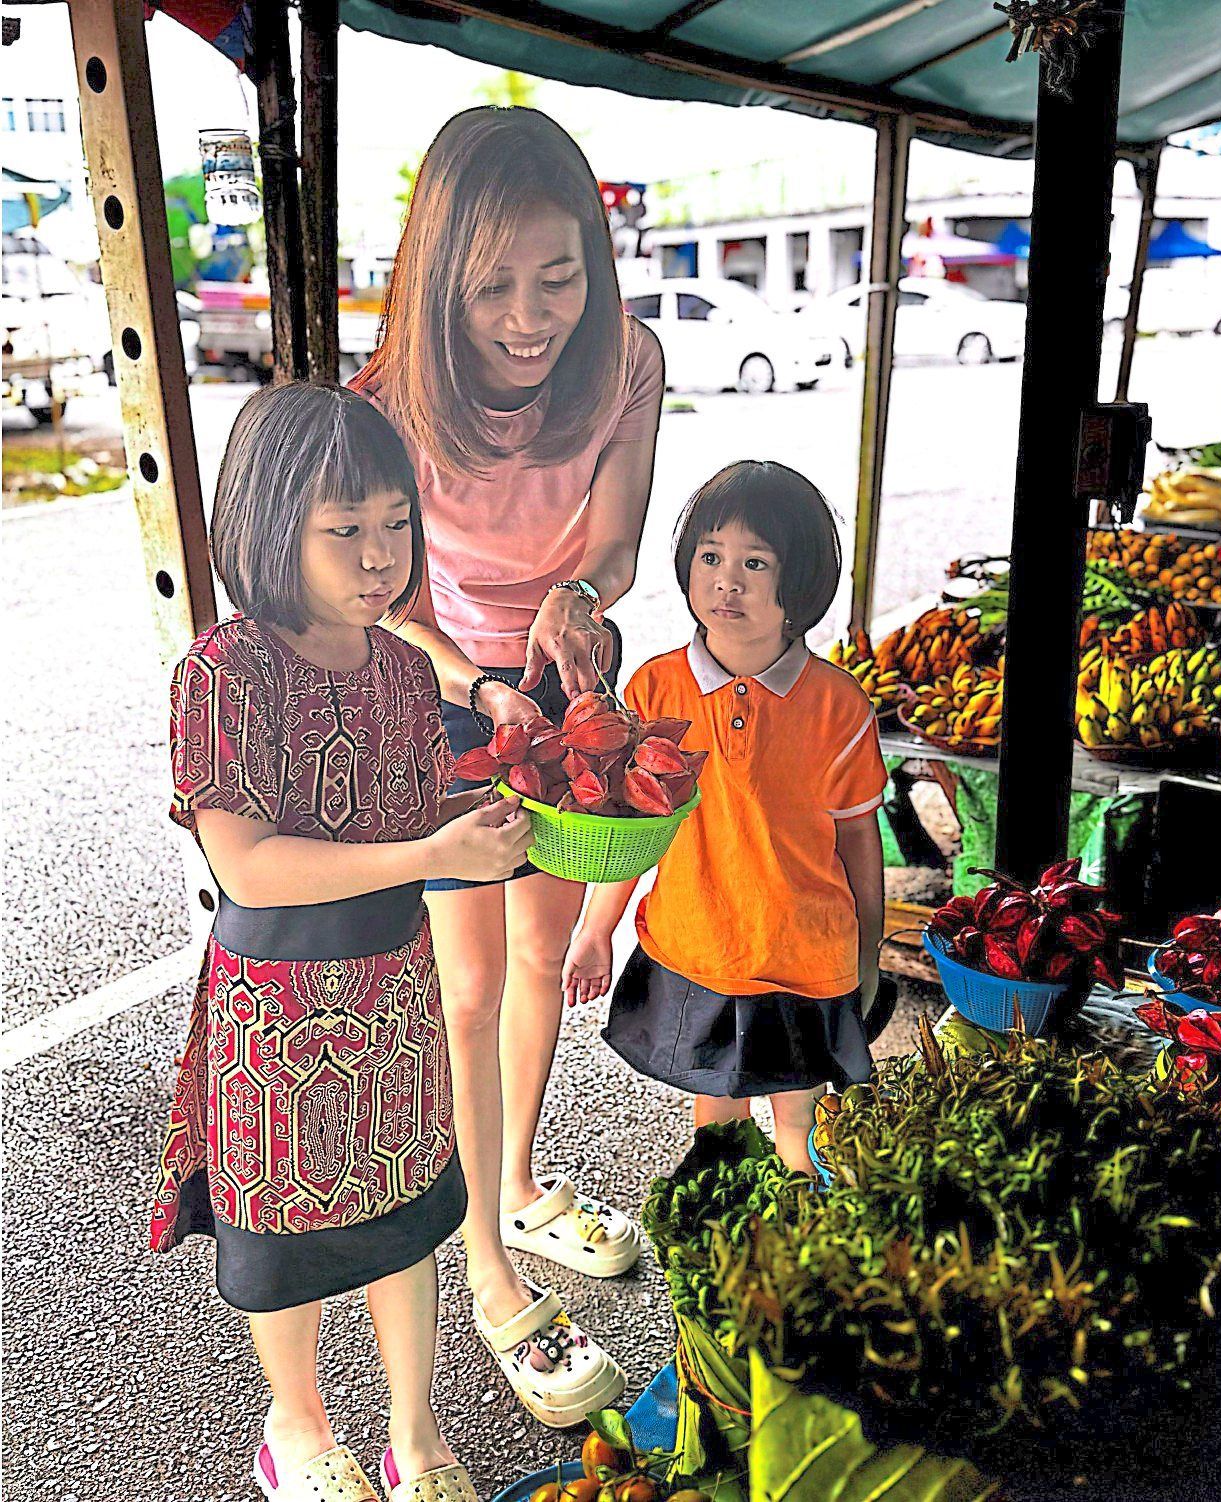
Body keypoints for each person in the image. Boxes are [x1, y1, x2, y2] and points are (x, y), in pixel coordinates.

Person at [148, 384, 534, 1502]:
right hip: (273, 999)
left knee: (403, 1212)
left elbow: (425, 826)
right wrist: (428, 858)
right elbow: (250, 864)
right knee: (287, 1239)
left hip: (392, 988)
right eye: (345, 530)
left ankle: (415, 1433)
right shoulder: (223, 671)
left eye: (395, 525)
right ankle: (298, 1425)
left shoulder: (407, 668)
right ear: (272, 527)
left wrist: (497, 833)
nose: (379, 557)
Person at [351, 105, 663, 1421]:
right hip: (438, 690)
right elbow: (378, 603)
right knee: (468, 988)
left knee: (545, 956)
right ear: (439, 279)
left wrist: (579, 600)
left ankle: (517, 1186)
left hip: (564, 672)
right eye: (493, 287)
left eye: (560, 276)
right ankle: (485, 1269)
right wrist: (481, 682)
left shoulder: (628, 362)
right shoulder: (385, 406)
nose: (531, 317)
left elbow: (625, 538)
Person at [562, 461, 896, 1176]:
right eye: (710, 557)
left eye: (755, 563)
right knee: (715, 1123)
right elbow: (631, 828)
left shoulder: (839, 705)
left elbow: (859, 842)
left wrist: (869, 947)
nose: (727, 581)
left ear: (799, 583)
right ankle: (721, 1225)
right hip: (698, 942)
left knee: (799, 1126)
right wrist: (595, 930)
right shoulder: (656, 686)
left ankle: (800, 1220)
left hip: (804, 952)